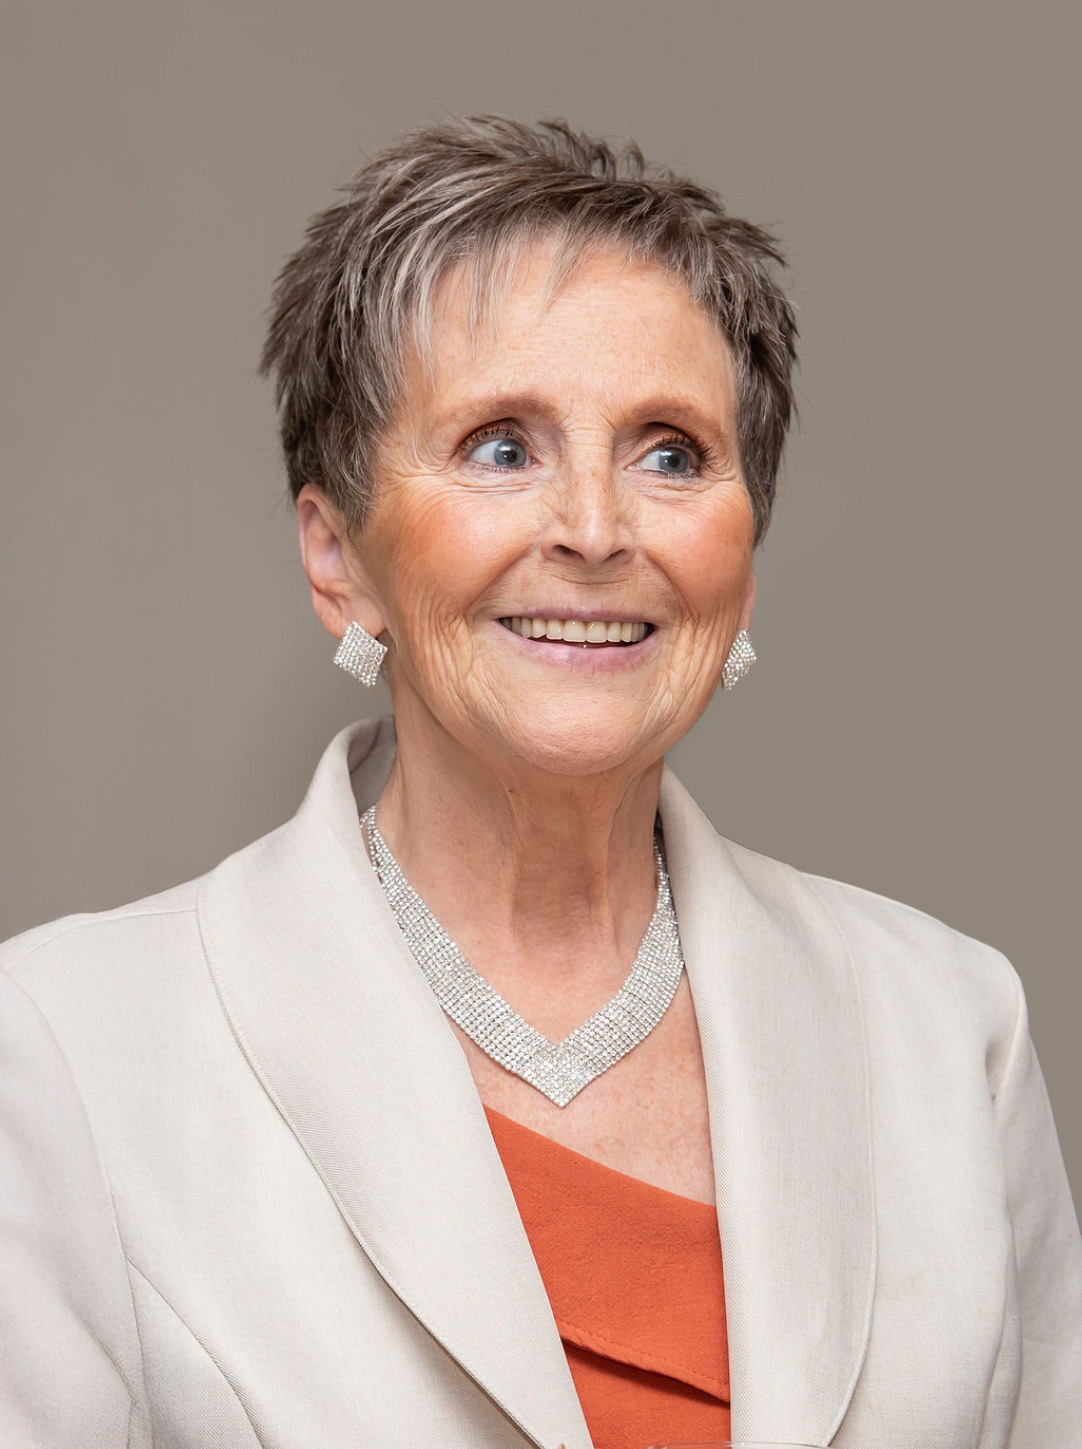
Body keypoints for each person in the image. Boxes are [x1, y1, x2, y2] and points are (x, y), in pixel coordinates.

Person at [1, 116, 1079, 1449]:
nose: (594, 529)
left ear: (745, 551)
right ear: (337, 555)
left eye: (669, 452)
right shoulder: (63, 1048)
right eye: (502, 447)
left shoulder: (951, 1029)